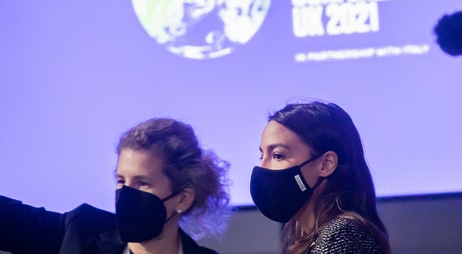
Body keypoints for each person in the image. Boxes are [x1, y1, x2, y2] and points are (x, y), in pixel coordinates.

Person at [0, 117, 230, 254]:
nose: (126, 194)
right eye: (121, 181)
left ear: (182, 198)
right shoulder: (80, 233)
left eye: (143, 183)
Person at [250, 101, 390, 254]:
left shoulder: (342, 235)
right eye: (261, 155)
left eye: (278, 156)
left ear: (326, 164)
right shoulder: (302, 235)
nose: (262, 167)